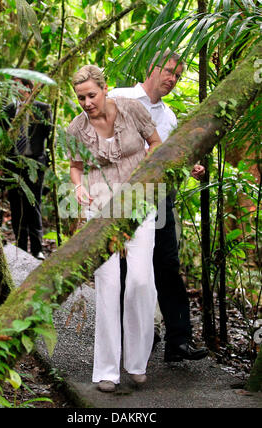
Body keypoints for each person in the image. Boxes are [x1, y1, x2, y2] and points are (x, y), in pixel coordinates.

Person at [67, 65, 162, 392]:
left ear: (105, 89)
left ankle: (136, 362)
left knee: (139, 281)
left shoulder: (132, 109)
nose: (87, 102)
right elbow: (75, 168)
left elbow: (156, 144)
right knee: (107, 285)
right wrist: (78, 188)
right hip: (101, 209)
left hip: (139, 204)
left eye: (91, 95)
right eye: (81, 97)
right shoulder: (77, 128)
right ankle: (107, 371)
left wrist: (152, 176)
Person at [109, 50, 209, 362]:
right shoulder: (119, 97)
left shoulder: (169, 117)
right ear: (152, 66)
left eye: (178, 76)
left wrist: (187, 167)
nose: (172, 80)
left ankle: (179, 342)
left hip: (160, 198)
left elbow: (169, 161)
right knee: (129, 270)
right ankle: (137, 337)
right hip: (125, 196)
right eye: (168, 72)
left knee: (167, 265)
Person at [2, 77, 52, 260]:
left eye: (18, 85)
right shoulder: (8, 110)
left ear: (29, 88)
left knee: (34, 204)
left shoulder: (43, 108)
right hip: (13, 165)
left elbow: (49, 134)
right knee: (16, 206)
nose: (14, 88)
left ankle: (37, 248)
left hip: (35, 164)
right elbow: (3, 138)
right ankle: (21, 246)